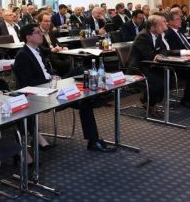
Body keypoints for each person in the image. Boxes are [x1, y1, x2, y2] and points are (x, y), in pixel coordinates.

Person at [13, 23, 114, 152]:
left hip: (52, 86)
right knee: (85, 99)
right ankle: (97, 97)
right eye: (37, 32)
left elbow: (46, 70)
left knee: (81, 72)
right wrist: (50, 80)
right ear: (28, 37)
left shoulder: (38, 51)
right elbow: (27, 82)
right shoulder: (23, 55)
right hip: (41, 93)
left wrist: (54, 76)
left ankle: (93, 140)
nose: (41, 35)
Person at [127, 14, 172, 118]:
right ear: (152, 27)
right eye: (160, 25)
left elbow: (163, 49)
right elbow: (147, 54)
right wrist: (156, 55)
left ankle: (149, 101)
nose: (163, 27)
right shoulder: (143, 36)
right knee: (158, 82)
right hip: (138, 68)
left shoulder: (158, 34)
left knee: (168, 78)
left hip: (150, 66)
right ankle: (150, 105)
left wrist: (160, 55)